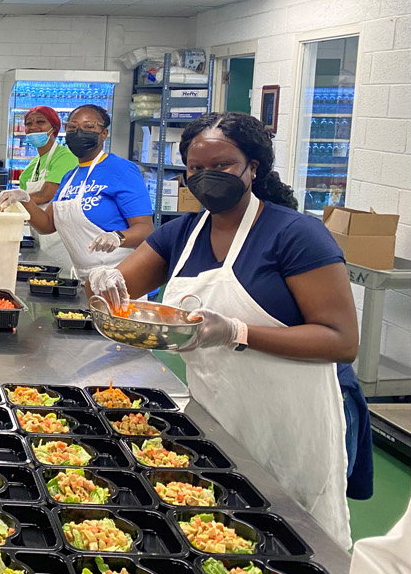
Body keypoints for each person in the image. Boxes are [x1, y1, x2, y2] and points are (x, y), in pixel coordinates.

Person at [81, 112, 362, 543]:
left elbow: (341, 340)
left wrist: (236, 331)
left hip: (289, 420)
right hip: (216, 413)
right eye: (195, 168)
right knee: (223, 531)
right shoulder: (183, 233)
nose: (206, 177)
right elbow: (115, 294)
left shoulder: (296, 235)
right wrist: (102, 280)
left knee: (290, 536)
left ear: (254, 167)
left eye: (223, 166)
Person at [0, 104, 152, 273]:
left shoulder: (122, 170)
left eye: (88, 127)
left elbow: (145, 229)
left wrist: (117, 237)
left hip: (119, 273)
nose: (79, 132)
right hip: (82, 275)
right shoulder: (70, 177)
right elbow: (47, 225)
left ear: (104, 134)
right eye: (72, 127)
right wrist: (24, 199)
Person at [14, 105, 81, 194]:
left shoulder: (66, 156)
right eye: (28, 123)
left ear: (54, 128)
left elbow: (46, 195)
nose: (33, 127)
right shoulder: (33, 165)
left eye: (40, 122)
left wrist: (17, 199)